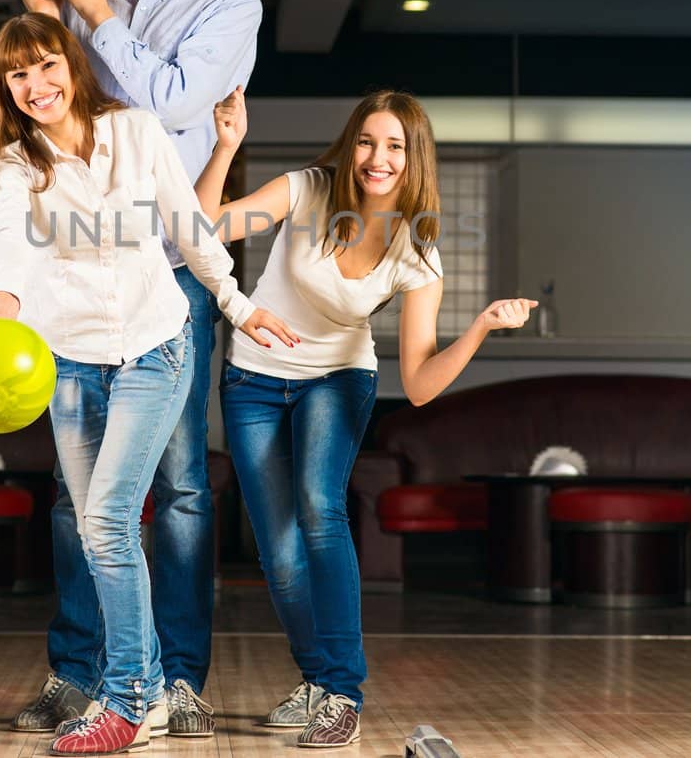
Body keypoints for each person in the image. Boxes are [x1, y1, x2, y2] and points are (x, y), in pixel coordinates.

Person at [0, 13, 292, 756]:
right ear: (5, 88)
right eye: (18, 75)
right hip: (68, 359)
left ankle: (130, 698)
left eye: (46, 65)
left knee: (108, 523)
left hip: (155, 344)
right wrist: (2, 323)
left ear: (71, 65)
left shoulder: (137, 132)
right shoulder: (15, 166)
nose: (36, 85)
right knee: (94, 528)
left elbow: (187, 227)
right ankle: (141, 689)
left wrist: (238, 306)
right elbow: (9, 251)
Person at [9, 0, 260, 740]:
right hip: (73, 272)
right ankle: (78, 673)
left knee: (182, 485)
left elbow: (174, 106)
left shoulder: (232, 5)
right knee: (77, 490)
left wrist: (90, 11)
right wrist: (51, 14)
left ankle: (176, 678)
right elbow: (56, 111)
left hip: (169, 272)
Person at [195, 88, 535, 747]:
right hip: (254, 379)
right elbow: (206, 225)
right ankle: (318, 681)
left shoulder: (417, 248)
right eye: (368, 141)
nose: (379, 157)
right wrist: (226, 146)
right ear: (352, 145)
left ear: (415, 159)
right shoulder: (306, 190)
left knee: (321, 509)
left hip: (338, 377)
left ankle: (343, 693)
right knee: (278, 550)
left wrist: (482, 329)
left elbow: (419, 384)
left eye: (395, 146)